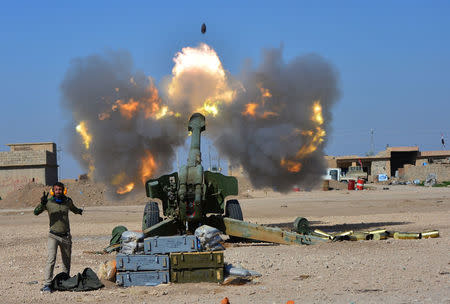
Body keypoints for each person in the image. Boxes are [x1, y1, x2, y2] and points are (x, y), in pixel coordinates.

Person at [34, 182, 83, 293]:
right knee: (51, 259)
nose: (58, 192)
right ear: (53, 191)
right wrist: (42, 204)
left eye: (60, 190)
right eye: (56, 190)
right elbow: (35, 212)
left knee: (66, 260)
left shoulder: (68, 201)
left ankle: (65, 280)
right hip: (53, 236)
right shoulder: (48, 203)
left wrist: (79, 211)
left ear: (63, 190)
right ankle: (47, 284)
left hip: (66, 236)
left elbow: (74, 209)